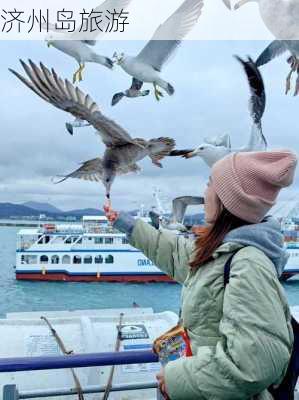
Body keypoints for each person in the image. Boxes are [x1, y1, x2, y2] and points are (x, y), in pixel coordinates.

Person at [104, 150, 297, 400]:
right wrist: (128, 225)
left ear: (227, 200)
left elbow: (253, 364)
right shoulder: (222, 253)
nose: (204, 194)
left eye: (209, 185)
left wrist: (177, 378)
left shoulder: (248, 264)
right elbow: (176, 253)